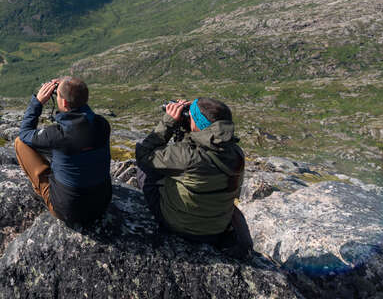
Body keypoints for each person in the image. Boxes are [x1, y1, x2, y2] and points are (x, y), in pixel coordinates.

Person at [135, 97, 252, 255]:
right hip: (216, 229)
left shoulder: (187, 156)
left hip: (182, 227)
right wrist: (190, 123)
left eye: (190, 116)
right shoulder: (236, 153)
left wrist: (169, 122)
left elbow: (143, 153)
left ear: (198, 123)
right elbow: (200, 151)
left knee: (145, 169)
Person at [14, 76, 112, 226]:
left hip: (69, 212)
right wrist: (70, 88)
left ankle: (42, 188)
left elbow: (25, 133)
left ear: (64, 102)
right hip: (101, 205)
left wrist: (38, 103)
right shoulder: (102, 125)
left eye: (58, 95)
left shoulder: (58, 135)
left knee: (20, 143)